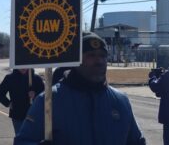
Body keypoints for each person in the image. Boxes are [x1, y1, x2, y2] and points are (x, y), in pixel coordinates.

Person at [14, 32, 146, 145]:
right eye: (91, 55)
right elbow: (23, 141)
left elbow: (137, 141)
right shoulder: (49, 101)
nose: (99, 61)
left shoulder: (120, 101)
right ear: (75, 60)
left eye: (102, 55)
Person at [0, 69, 44, 135]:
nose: (23, 68)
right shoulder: (10, 78)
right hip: (18, 115)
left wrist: (35, 95)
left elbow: (45, 96)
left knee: (35, 138)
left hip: (34, 115)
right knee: (21, 138)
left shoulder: (36, 78)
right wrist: (8, 103)